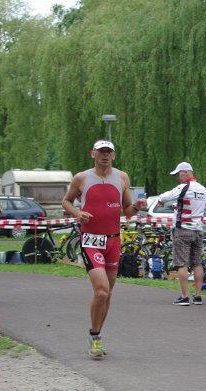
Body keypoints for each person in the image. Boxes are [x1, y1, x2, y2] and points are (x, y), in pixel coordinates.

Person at [62, 140, 146, 360]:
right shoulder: (81, 178)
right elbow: (66, 202)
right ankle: (94, 335)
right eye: (101, 152)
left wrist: (136, 207)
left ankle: (97, 334)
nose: (105, 155)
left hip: (113, 241)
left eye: (109, 152)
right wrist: (77, 213)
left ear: (114, 156)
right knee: (101, 290)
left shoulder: (122, 177)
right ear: (93, 154)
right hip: (91, 240)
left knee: (107, 293)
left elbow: (127, 211)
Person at [156, 162, 206, 306]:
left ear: (186, 172)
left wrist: (160, 200)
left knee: (181, 263)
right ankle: (198, 296)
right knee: (197, 263)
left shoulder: (184, 187)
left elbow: (166, 196)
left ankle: (184, 296)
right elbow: (205, 212)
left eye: (178, 174)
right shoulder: (203, 189)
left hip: (183, 230)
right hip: (198, 230)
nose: (178, 178)